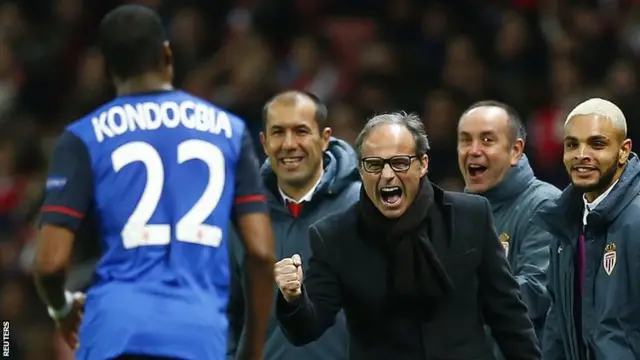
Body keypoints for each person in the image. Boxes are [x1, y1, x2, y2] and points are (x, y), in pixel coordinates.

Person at [32, 5, 275, 360]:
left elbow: (50, 263)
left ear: (106, 67)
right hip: (199, 334)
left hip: (115, 332)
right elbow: (261, 252)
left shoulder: (83, 137)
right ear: (166, 54)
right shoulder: (230, 132)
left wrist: (61, 309)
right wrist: (252, 349)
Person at [274, 112, 541, 360]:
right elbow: (306, 329)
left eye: (400, 163)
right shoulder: (335, 236)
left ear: (423, 164)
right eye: (374, 165)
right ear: (361, 169)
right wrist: (293, 298)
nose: (388, 175)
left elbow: (508, 316)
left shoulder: (469, 216)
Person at [227, 91, 358, 360]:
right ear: (263, 142)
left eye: (301, 131)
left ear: (324, 139)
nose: (289, 144)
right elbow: (226, 312)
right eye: (278, 132)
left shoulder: (363, 206)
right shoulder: (243, 217)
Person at [536, 98, 640, 360]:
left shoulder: (636, 220)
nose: (581, 155)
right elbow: (557, 324)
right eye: (572, 144)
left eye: (597, 144)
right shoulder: (563, 221)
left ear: (624, 151)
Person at [457, 101, 558, 347]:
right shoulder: (456, 211)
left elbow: (536, 292)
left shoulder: (545, 206)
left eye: (487, 140)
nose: (473, 150)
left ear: (516, 150)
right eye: (465, 140)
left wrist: (456, 295)